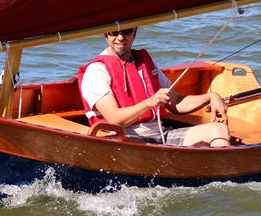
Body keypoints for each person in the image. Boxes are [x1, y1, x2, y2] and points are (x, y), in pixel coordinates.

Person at [77, 27, 230, 147]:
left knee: (219, 129)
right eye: (113, 32)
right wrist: (150, 102)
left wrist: (211, 97)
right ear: (105, 34)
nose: (120, 37)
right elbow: (114, 118)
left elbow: (176, 102)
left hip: (161, 136)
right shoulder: (97, 71)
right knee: (133, 145)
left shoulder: (143, 62)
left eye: (127, 31)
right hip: (125, 139)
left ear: (135, 31)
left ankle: (222, 179)